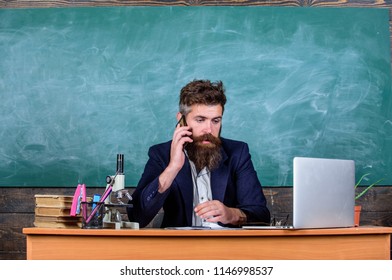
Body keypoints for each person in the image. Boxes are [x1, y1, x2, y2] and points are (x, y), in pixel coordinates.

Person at [127, 79, 270, 228]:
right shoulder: (160, 154)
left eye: (215, 121)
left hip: (226, 247)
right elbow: (137, 217)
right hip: (179, 247)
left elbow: (261, 215)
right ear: (181, 120)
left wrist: (231, 214)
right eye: (200, 120)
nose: (208, 129)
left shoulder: (238, 153)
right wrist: (173, 167)